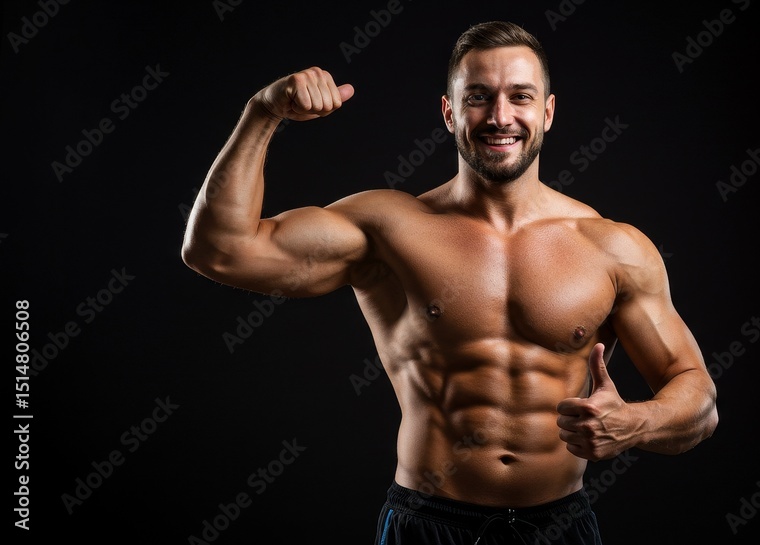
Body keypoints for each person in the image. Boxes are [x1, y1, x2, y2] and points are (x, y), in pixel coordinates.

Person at [181, 20, 718, 545]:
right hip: (427, 522)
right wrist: (263, 112)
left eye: (521, 97)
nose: (500, 116)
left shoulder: (613, 247)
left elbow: (698, 400)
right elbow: (218, 251)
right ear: (449, 111)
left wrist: (637, 422)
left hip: (559, 525)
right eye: (479, 96)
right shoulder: (389, 228)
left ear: (548, 113)